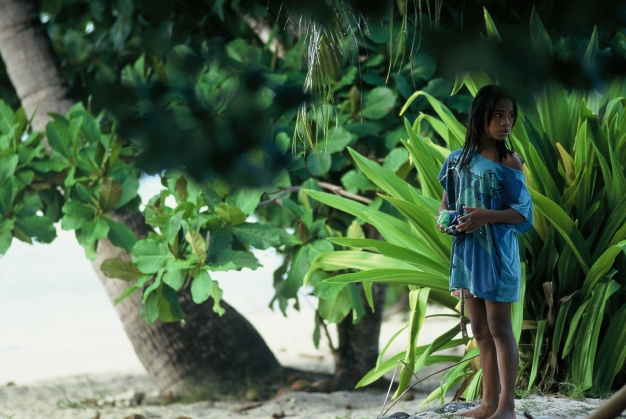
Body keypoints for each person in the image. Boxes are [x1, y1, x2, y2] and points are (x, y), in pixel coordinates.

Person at [436, 84, 534, 419]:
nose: (506, 122)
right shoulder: (455, 161)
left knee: (499, 327)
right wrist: (448, 222)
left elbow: (524, 214)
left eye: (510, 116)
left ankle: (506, 406)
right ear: (480, 117)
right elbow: (445, 207)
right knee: (479, 329)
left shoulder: (510, 162)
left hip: (497, 256)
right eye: (499, 115)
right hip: (467, 256)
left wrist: (486, 217)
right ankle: (488, 403)